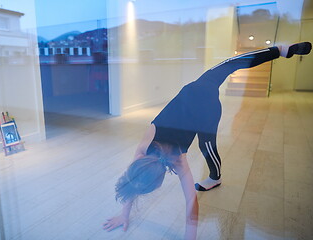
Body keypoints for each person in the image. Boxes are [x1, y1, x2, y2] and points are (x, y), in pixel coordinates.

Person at [103, 42, 312, 239]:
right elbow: (134, 179)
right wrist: (124, 213)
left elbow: (191, 201)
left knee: (208, 146)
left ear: (161, 179)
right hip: (195, 87)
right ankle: (280, 49)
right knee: (231, 66)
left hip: (207, 110)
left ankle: (216, 177)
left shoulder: (177, 160)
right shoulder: (144, 147)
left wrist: (189, 236)